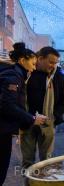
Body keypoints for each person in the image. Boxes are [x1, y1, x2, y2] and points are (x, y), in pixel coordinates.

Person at [0, 43, 46, 185]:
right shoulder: (13, 75)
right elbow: (7, 105)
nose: (34, 68)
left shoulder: (16, 74)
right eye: (32, 64)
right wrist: (32, 118)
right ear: (22, 60)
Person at [20, 46, 64, 169]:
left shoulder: (58, 76)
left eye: (55, 63)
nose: (53, 65)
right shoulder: (27, 72)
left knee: (47, 160)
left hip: (48, 123)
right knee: (27, 161)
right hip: (28, 122)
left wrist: (55, 115)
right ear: (40, 58)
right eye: (51, 62)